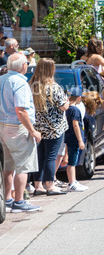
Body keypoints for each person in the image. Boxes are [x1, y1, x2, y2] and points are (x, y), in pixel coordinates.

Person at [1, 53, 42, 213]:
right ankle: (19, 201)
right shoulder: (20, 83)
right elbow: (21, 109)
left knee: (8, 165)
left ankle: (8, 199)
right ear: (23, 66)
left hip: (3, 126)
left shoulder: (1, 79)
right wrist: (33, 131)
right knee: (23, 166)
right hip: (17, 127)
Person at [26, 58, 70, 197]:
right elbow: (63, 106)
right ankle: (50, 185)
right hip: (54, 127)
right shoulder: (54, 87)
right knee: (51, 156)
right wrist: (68, 101)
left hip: (37, 127)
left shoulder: (31, 85)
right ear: (51, 70)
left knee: (39, 156)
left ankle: (38, 185)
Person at [63, 87, 88, 192]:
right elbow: (76, 125)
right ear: (78, 98)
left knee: (71, 160)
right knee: (72, 162)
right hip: (74, 138)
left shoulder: (67, 109)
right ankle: (72, 183)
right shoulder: (75, 110)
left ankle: (73, 181)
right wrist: (80, 140)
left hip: (68, 137)